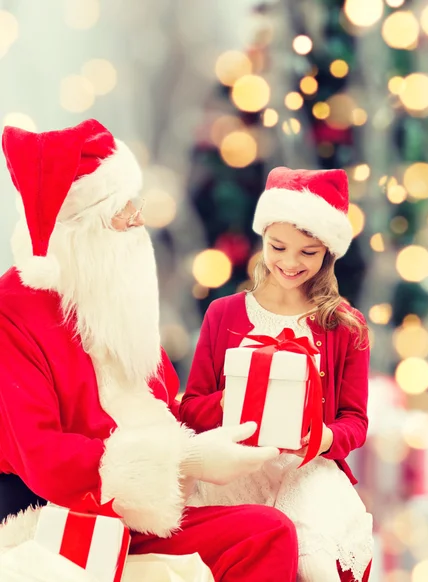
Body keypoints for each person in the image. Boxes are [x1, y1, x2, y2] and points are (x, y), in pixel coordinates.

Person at [0, 120, 298, 582]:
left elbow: (161, 408)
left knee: (270, 531)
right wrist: (186, 459)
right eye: (124, 210)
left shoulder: (110, 293)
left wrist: (243, 404)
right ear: (83, 229)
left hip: (138, 511)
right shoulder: (12, 314)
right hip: (58, 519)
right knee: (267, 533)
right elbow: (45, 459)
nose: (139, 219)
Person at [180, 167, 373, 582]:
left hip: (306, 470)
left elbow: (355, 422)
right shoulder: (225, 314)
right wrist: (242, 398)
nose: (289, 262)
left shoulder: (346, 326)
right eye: (278, 246)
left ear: (328, 253)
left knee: (314, 557)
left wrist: (323, 438)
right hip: (235, 468)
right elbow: (191, 410)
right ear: (262, 238)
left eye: (308, 252)